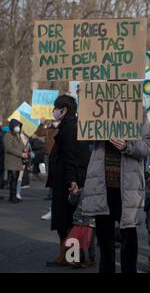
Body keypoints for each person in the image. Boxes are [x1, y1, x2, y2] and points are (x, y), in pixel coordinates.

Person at [82, 110, 150, 273]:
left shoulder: (137, 112)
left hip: (127, 188)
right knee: (104, 239)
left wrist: (127, 146)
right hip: (102, 186)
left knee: (129, 234)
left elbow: (148, 144)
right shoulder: (97, 110)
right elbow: (83, 134)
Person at [46, 95, 91, 267]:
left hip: (68, 180)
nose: (53, 112)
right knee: (65, 221)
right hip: (66, 178)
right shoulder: (70, 126)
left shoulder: (70, 128)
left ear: (64, 110)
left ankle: (71, 257)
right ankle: (65, 255)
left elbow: (70, 157)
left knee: (67, 220)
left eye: (56, 108)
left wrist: (72, 181)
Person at [67, 182, 96, 269]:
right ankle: (78, 259)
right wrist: (74, 193)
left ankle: (91, 259)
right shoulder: (82, 190)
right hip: (79, 220)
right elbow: (72, 201)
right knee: (76, 239)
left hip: (91, 221)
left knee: (89, 241)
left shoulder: (99, 193)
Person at [3, 119, 28, 204]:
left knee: (16, 179)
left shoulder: (17, 135)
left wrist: (24, 149)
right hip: (11, 161)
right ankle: (13, 197)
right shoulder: (8, 135)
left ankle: (12, 196)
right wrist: (21, 154)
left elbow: (21, 145)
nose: (18, 127)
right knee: (13, 179)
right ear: (12, 126)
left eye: (18, 126)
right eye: (16, 126)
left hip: (17, 161)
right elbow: (9, 148)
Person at [35, 119, 58, 200]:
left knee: (57, 174)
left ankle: (57, 193)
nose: (55, 122)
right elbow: (39, 133)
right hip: (48, 154)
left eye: (56, 121)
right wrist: (41, 124)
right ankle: (51, 193)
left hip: (58, 154)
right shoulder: (48, 129)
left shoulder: (61, 129)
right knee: (50, 174)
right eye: (54, 121)